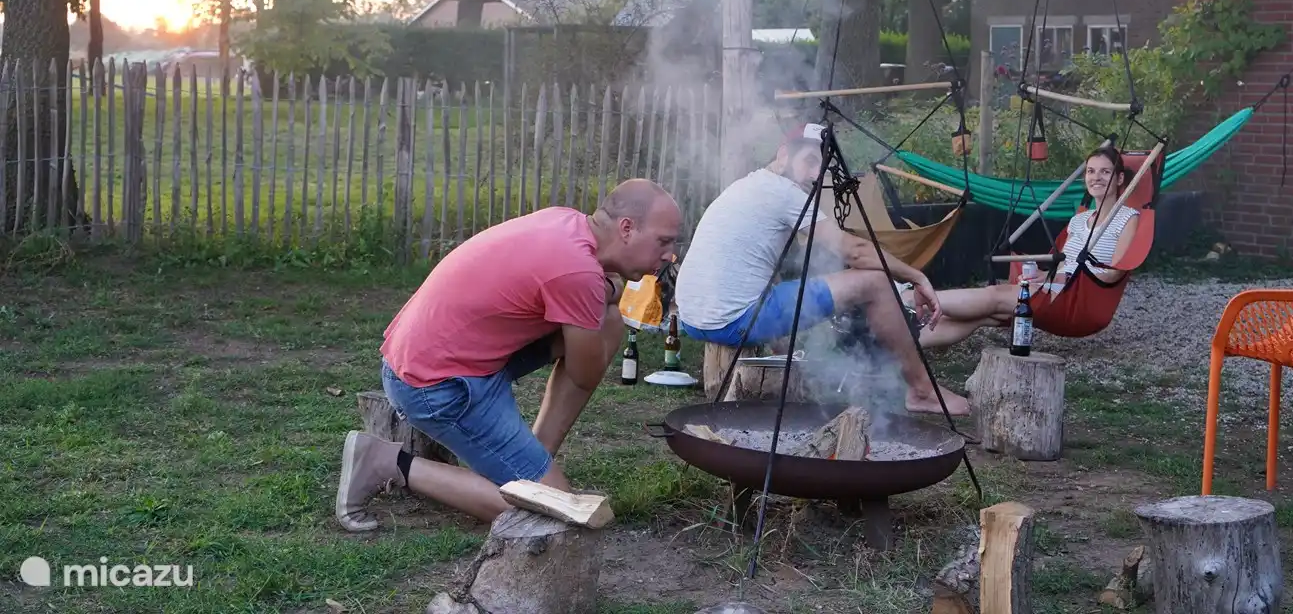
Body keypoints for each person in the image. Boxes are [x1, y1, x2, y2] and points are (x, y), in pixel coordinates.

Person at [335, 179, 682, 532]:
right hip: (435, 386)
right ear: (627, 228)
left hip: (441, 357)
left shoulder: (566, 224)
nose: (669, 255)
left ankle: (530, 466)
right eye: (663, 241)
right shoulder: (578, 271)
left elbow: (602, 296)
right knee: (553, 510)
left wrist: (609, 290)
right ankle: (386, 462)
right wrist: (610, 291)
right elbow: (584, 373)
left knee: (607, 319)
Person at [675, 123, 969, 416]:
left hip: (691, 317)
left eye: (822, 166)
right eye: (809, 161)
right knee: (875, 282)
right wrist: (917, 276)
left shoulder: (747, 186)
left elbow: (758, 267)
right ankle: (922, 391)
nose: (816, 175)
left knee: (791, 284)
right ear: (783, 155)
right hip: (731, 320)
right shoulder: (785, 193)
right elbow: (855, 251)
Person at [918, 145, 1140, 349]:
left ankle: (912, 300)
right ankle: (904, 342)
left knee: (994, 295)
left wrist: (1060, 279)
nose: (1096, 177)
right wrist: (1044, 274)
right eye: (1091, 171)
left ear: (1120, 178)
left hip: (1079, 301)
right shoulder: (1079, 220)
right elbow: (1064, 263)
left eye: (1105, 172)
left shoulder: (1129, 218)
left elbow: (1115, 272)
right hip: (1057, 288)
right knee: (984, 315)